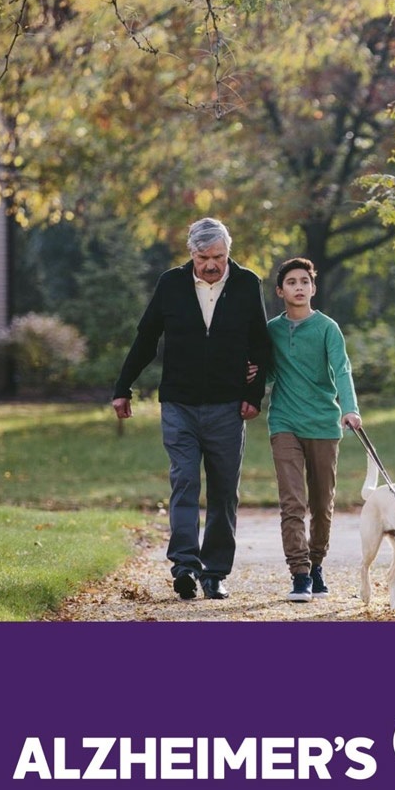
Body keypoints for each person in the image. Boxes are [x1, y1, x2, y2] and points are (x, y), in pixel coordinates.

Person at [111, 217, 273, 600]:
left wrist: (253, 394)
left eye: (218, 256)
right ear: (191, 254)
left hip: (228, 408)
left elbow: (260, 344)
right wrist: (123, 387)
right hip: (179, 404)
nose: (212, 265)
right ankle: (184, 565)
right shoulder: (171, 284)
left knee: (223, 492)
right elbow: (146, 338)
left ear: (228, 252)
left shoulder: (248, 284)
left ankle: (215, 572)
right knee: (184, 482)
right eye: (204, 258)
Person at [264, 256, 361, 602]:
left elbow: (343, 369)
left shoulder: (327, 328)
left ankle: (317, 563)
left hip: (322, 424)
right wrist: (251, 380)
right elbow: (271, 372)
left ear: (313, 288)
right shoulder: (272, 330)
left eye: (305, 281)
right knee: (292, 501)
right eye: (291, 282)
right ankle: (300, 573)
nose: (299, 287)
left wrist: (350, 409)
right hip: (284, 422)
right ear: (280, 291)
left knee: (321, 505)